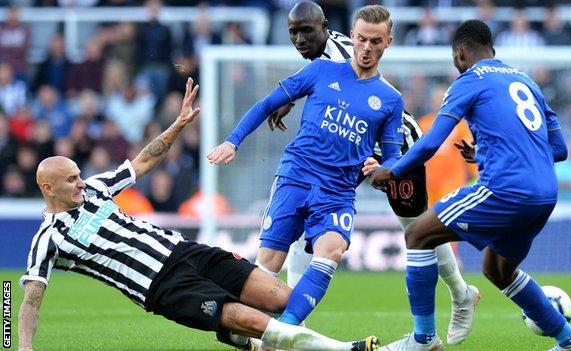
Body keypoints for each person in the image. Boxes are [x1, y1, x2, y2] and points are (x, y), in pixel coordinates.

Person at [18, 78, 378, 351]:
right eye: (71, 179)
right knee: (247, 317)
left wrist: (178, 124)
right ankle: (345, 348)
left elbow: (142, 161)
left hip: (185, 251)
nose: (81, 182)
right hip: (161, 286)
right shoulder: (48, 238)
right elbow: (26, 297)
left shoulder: (96, 187)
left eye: (79, 175)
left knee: (282, 299)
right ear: (48, 189)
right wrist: (18, 345)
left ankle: (239, 338)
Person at [367, 20, 571, 351]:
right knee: (498, 269)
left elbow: (430, 144)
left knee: (417, 234)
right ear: (493, 51)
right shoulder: (527, 81)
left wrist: (393, 171)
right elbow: (559, 150)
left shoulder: (469, 80)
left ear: (459, 54)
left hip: (505, 189)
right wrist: (491, 150)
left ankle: (423, 339)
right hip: (545, 195)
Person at [267, 1, 478, 345]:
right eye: (294, 33)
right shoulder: (323, 56)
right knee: (307, 226)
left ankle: (460, 291)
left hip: (398, 150)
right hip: (350, 149)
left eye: (306, 32)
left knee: (417, 229)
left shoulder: (348, 49)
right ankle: (288, 322)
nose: (299, 40)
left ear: (325, 29)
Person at [208, 4, 404, 332]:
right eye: (361, 39)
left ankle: (284, 331)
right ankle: (245, 331)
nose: (367, 48)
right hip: (296, 177)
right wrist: (233, 141)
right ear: (351, 37)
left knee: (332, 251)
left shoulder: (390, 99)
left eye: (375, 41)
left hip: (337, 191)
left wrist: (384, 166)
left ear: (388, 43)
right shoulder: (321, 71)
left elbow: (395, 155)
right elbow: (267, 104)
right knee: (267, 265)